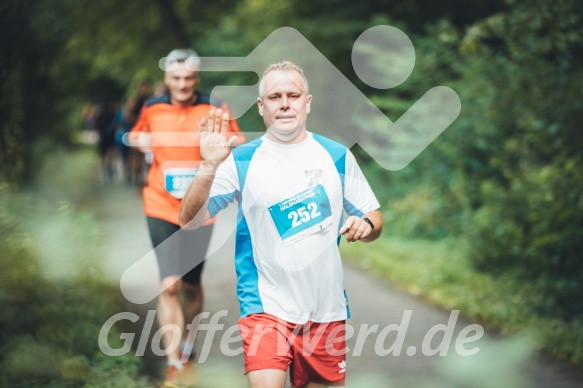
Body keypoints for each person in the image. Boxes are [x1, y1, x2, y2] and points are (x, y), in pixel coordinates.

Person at [179, 61, 383, 388]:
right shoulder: (241, 159)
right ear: (261, 106)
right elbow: (189, 221)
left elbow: (373, 216)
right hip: (265, 307)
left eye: (293, 95)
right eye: (275, 96)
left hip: (325, 312)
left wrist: (366, 226)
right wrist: (207, 167)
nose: (285, 103)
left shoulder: (336, 156)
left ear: (308, 102)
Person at [129, 49, 245, 387]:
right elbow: (136, 133)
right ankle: (173, 364)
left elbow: (236, 136)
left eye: (188, 78)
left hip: (199, 210)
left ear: (197, 78)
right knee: (170, 285)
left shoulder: (214, 104)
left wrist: (223, 145)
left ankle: (189, 346)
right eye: (176, 78)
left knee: (191, 287)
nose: (182, 84)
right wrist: (141, 141)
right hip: (159, 204)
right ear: (167, 79)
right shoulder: (152, 107)